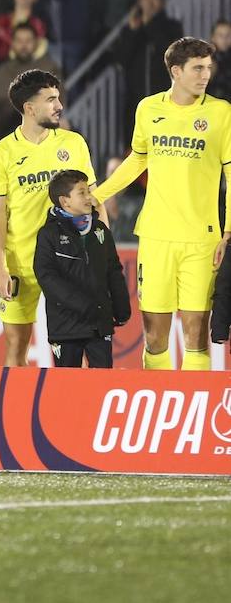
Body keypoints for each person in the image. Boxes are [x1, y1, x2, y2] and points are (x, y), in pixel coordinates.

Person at [95, 37, 231, 372]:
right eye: (198, 68)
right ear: (176, 71)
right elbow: (137, 159)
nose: (205, 75)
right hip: (156, 236)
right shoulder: (148, 108)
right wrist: (98, 194)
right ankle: (162, 408)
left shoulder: (221, 113)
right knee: (155, 334)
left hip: (202, 238)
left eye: (208, 68)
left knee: (195, 332)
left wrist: (228, 232)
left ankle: (192, 413)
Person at [0, 70, 98, 366]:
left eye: (58, 98)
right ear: (29, 108)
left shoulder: (73, 143)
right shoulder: (0, 154)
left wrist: (103, 252)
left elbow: (92, 200)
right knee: (16, 344)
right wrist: (0, 266)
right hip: (21, 261)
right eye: (50, 99)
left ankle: (79, 410)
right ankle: (14, 411)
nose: (59, 105)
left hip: (69, 261)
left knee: (77, 346)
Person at [33, 170, 129, 369]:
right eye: (82, 193)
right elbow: (46, 276)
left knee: (103, 385)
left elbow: (113, 270)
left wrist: (121, 308)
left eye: (88, 192)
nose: (89, 197)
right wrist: (82, 305)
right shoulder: (48, 234)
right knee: (67, 389)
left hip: (99, 325)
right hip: (66, 328)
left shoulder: (100, 230)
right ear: (65, 201)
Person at [112, 0, 183, 122]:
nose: (149, 2)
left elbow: (171, 54)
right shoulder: (131, 28)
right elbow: (121, 60)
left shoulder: (173, 27)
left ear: (162, 2)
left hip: (165, 101)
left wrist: (149, 24)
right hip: (135, 103)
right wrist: (132, 32)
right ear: (139, 1)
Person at [0, 22, 63, 138]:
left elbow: (58, 98)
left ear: (36, 43)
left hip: (46, 122)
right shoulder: (3, 70)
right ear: (12, 43)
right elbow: (5, 101)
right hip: (11, 125)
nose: (24, 45)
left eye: (28, 41)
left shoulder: (49, 67)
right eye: (19, 41)